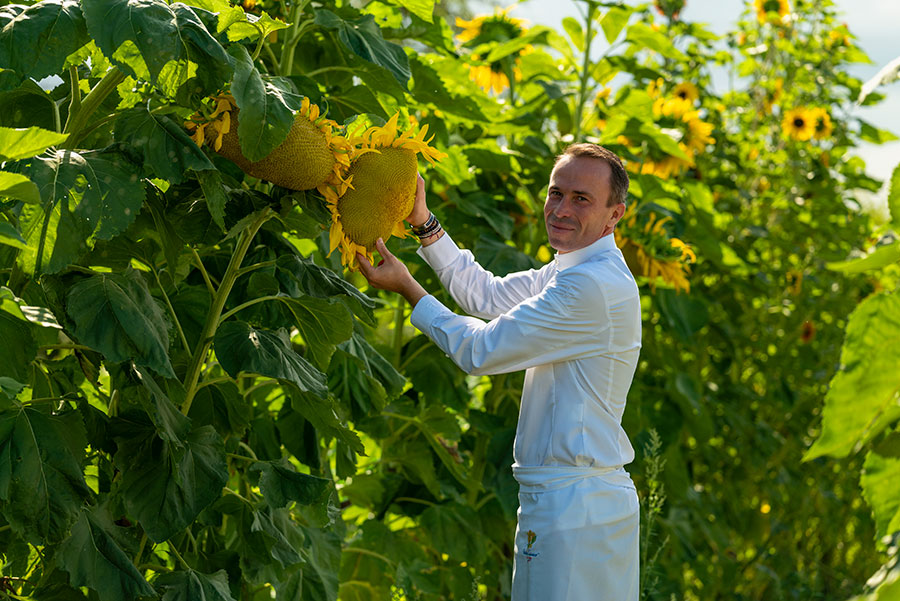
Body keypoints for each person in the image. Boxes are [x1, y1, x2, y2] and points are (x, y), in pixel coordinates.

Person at [357, 143, 642, 600]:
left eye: (581, 199)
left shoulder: (590, 287)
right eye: (555, 193)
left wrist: (410, 290)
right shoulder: (575, 271)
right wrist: (424, 224)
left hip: (574, 506)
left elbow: (480, 351)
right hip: (575, 500)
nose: (561, 209)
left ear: (615, 214)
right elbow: (486, 297)